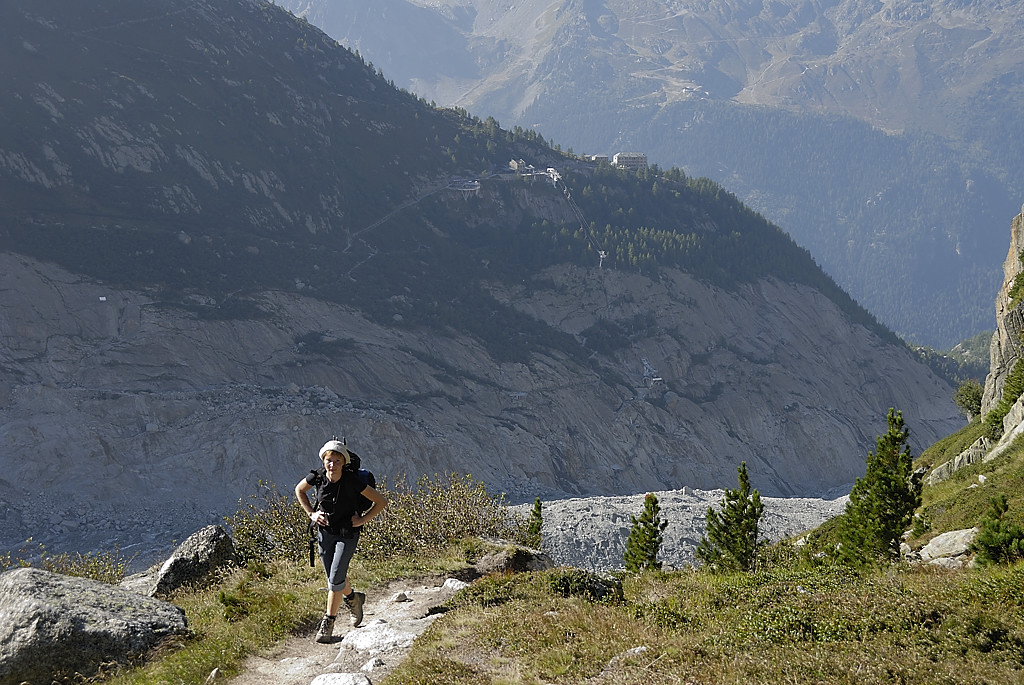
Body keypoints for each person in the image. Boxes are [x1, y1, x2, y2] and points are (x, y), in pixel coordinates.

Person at [295, 439, 388, 644]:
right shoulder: (317, 477)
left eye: (337, 461)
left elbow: (381, 501)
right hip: (325, 533)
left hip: (347, 534)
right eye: (329, 460)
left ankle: (328, 622)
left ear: (344, 462)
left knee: (335, 577)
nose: (332, 464)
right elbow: (299, 490)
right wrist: (311, 514)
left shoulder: (352, 480)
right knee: (334, 580)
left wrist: (362, 520)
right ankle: (354, 599)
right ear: (324, 460)